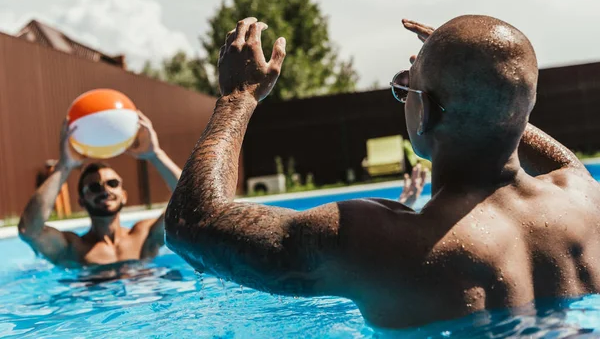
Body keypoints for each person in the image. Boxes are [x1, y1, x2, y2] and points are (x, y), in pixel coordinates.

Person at [164, 16, 600, 329]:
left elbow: (192, 222)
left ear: (423, 111)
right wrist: (475, 75)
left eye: (405, 89)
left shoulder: (380, 241)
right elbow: (517, 120)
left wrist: (237, 96)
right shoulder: (583, 198)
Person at [19, 110, 182, 268]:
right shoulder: (73, 248)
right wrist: (64, 166)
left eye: (112, 183)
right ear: (81, 201)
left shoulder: (145, 236)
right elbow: (29, 230)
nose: (105, 190)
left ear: (124, 195)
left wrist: (155, 154)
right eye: (94, 187)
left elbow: (186, 200)